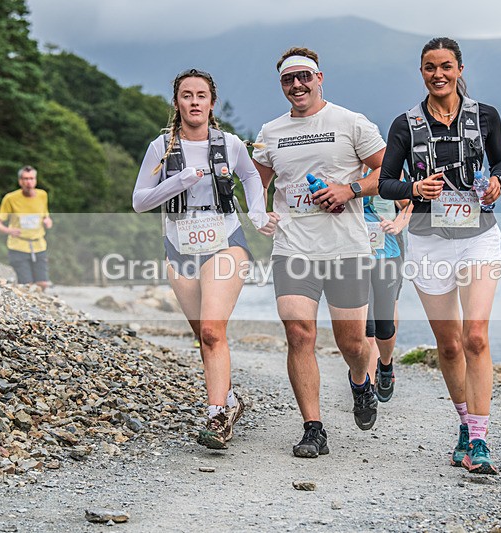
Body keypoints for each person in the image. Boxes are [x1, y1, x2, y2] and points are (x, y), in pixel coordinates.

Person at [378, 37, 501, 475]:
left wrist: (496, 183)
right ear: (421, 72)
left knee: (475, 336)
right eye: (430, 67)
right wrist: (415, 189)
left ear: (459, 69)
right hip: (429, 241)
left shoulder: (485, 115)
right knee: (450, 345)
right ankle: (464, 424)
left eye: (446, 66)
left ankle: (480, 440)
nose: (439, 74)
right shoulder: (406, 124)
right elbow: (386, 184)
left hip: (478, 237)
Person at [132, 69, 278, 449]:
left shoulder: (229, 144)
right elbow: (139, 202)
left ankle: (215, 418)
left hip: (224, 241)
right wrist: (177, 181)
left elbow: (250, 178)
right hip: (179, 244)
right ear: (177, 102)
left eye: (201, 95)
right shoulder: (160, 148)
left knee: (212, 330)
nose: (194, 101)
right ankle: (229, 401)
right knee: (204, 335)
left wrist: (259, 216)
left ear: (212, 102)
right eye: (186, 95)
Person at [252, 47, 386, 458]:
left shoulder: (350, 122)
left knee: (352, 344)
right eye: (288, 80)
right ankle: (313, 428)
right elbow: (255, 184)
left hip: (346, 247)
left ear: (319, 77)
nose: (297, 85)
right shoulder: (270, 132)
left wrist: (350, 189)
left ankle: (361, 382)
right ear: (282, 85)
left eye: (304, 77)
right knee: (299, 334)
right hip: (293, 247)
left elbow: (388, 172)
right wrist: (260, 216)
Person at [362, 168, 412, 402]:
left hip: (389, 250)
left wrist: (398, 225)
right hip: (355, 254)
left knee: (386, 314)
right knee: (366, 326)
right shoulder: (340, 165)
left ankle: (386, 364)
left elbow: (409, 203)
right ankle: (366, 388)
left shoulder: (387, 168)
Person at [0, 165, 53, 290]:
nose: (28, 182)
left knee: (43, 284)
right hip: (18, 247)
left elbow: (46, 216)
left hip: (39, 245)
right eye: (25, 179)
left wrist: (48, 221)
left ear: (35, 180)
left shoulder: (42, 195)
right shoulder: (10, 198)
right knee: (26, 286)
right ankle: (26, 307)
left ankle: (40, 307)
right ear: (20, 181)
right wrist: (8, 230)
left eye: (31, 178)